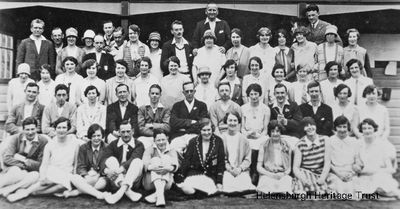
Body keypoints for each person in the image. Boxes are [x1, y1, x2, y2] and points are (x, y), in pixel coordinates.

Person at [6, 118, 81, 202]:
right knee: (47, 181)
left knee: (62, 185)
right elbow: (44, 164)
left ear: (68, 129)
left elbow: (76, 163)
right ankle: (25, 193)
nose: (61, 130)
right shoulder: (50, 144)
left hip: (67, 172)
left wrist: (75, 177)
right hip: (53, 170)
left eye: (64, 128)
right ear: (55, 129)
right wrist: (42, 176)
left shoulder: (75, 143)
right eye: (59, 128)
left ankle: (30, 192)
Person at [0, 117, 49, 198]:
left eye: (32, 129)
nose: (30, 132)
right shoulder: (16, 138)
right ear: (23, 129)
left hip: (30, 171)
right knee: (16, 171)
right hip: (14, 168)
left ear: (36, 128)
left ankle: (10, 189)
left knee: (35, 175)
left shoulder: (43, 141)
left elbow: (40, 164)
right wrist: (24, 166)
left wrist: (23, 159)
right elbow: (7, 158)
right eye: (27, 129)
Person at [176, 118, 225, 196]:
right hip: (194, 172)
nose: (207, 133)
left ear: (212, 129)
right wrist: (181, 177)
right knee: (189, 186)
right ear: (200, 130)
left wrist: (219, 182)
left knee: (208, 187)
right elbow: (186, 161)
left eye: (209, 130)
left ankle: (199, 192)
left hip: (210, 174)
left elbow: (221, 163)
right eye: (204, 130)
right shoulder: (193, 142)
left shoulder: (218, 141)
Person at [100, 120, 145, 204]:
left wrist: (121, 169)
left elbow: (134, 158)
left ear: (133, 131)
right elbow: (103, 159)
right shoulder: (113, 144)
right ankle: (128, 192)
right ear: (119, 132)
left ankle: (119, 193)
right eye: (123, 132)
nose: (126, 134)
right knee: (111, 159)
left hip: (133, 180)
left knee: (137, 161)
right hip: (117, 179)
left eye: (128, 131)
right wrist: (106, 171)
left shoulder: (139, 144)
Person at [354, 118, 400, 199]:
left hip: (379, 175)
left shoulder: (381, 144)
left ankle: (382, 193)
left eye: (369, 128)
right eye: (364, 128)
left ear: (374, 129)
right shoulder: (358, 144)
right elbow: (357, 163)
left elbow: (390, 169)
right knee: (357, 192)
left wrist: (376, 171)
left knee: (381, 187)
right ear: (361, 130)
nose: (367, 131)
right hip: (364, 176)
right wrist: (357, 167)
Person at [63, 124, 109, 198]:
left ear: (102, 136)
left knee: (103, 182)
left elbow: (105, 166)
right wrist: (87, 176)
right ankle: (93, 192)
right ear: (90, 137)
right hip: (87, 176)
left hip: (100, 176)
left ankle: (79, 192)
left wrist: (97, 176)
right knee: (75, 178)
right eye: (93, 136)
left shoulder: (107, 148)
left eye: (98, 135)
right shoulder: (83, 147)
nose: (96, 138)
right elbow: (80, 166)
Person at [292, 117, 331, 194]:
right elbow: (296, 167)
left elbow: (327, 162)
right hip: (306, 172)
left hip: (320, 172)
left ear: (315, 126)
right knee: (300, 190)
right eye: (306, 126)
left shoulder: (325, 139)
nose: (310, 127)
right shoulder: (299, 144)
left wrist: (323, 178)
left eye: (312, 125)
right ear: (303, 129)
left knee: (322, 192)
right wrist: (303, 179)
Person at [241, 83, 270, 184]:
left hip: (260, 135)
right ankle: (251, 170)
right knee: (248, 143)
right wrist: (247, 134)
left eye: (256, 94)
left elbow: (266, 129)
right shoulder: (243, 108)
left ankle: (257, 171)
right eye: (251, 94)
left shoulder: (266, 109)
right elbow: (242, 128)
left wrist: (259, 136)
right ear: (248, 96)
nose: (253, 97)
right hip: (247, 135)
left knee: (262, 143)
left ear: (260, 95)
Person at [169, 82, 208, 154]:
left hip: (195, 135)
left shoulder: (202, 105)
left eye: (191, 91)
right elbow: (173, 122)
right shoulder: (177, 106)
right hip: (179, 135)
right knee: (173, 150)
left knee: (196, 150)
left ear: (194, 91)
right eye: (187, 91)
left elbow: (202, 123)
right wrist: (190, 122)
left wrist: (184, 126)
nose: (189, 93)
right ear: (183, 92)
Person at [142, 129, 179, 206]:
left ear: (167, 138)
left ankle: (159, 195)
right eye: (158, 140)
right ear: (154, 140)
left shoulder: (171, 150)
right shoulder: (150, 149)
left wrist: (169, 168)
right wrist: (153, 167)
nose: (161, 142)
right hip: (150, 183)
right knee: (156, 159)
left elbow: (176, 165)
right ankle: (160, 195)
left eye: (163, 139)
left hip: (166, 183)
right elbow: (144, 163)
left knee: (166, 158)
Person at [221, 112, 255, 193]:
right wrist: (229, 169)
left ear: (238, 122)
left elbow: (247, 159)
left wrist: (240, 169)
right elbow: (222, 158)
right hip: (227, 170)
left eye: (235, 121)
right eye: (230, 120)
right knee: (228, 188)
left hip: (241, 170)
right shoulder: (222, 138)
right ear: (226, 121)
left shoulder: (244, 139)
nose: (232, 123)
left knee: (244, 186)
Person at [256, 120, 292, 194]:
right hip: (268, 174)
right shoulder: (263, 145)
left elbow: (289, 168)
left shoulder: (287, 146)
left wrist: (283, 174)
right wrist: (271, 175)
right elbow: (258, 167)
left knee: (288, 180)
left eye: (277, 131)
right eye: (273, 131)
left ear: (281, 132)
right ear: (270, 132)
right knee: (265, 181)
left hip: (281, 174)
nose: (275, 134)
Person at [327, 116, 359, 194]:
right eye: (339, 127)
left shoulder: (354, 141)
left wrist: (352, 173)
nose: (342, 129)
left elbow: (357, 160)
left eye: (344, 127)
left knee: (352, 189)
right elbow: (328, 162)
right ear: (335, 128)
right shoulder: (330, 140)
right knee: (339, 189)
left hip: (350, 172)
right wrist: (339, 174)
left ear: (348, 128)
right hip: (335, 172)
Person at [137, 84, 171, 149]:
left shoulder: (165, 109)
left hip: (162, 137)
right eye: (152, 93)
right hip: (146, 137)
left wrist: (152, 125)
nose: (154, 96)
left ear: (160, 95)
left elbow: (167, 127)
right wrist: (159, 129)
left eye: (157, 94)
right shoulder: (142, 109)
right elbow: (140, 128)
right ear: (149, 94)